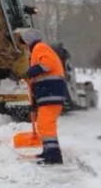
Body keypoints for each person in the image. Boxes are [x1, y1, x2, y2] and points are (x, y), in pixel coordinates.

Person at [17, 28, 68, 165]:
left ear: (27, 41)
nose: (23, 46)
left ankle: (53, 157)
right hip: (48, 92)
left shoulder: (40, 48)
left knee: (46, 124)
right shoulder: (37, 50)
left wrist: (30, 72)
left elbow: (48, 64)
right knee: (44, 124)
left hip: (51, 92)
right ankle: (49, 152)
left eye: (22, 42)